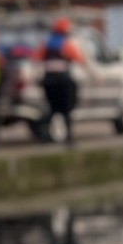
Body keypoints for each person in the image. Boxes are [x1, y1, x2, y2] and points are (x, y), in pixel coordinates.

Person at [40, 16, 88, 146]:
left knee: (52, 109)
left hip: (48, 81)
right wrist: (95, 75)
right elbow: (80, 59)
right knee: (67, 110)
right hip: (63, 81)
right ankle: (69, 139)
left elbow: (36, 60)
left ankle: (44, 136)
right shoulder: (66, 45)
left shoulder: (46, 44)